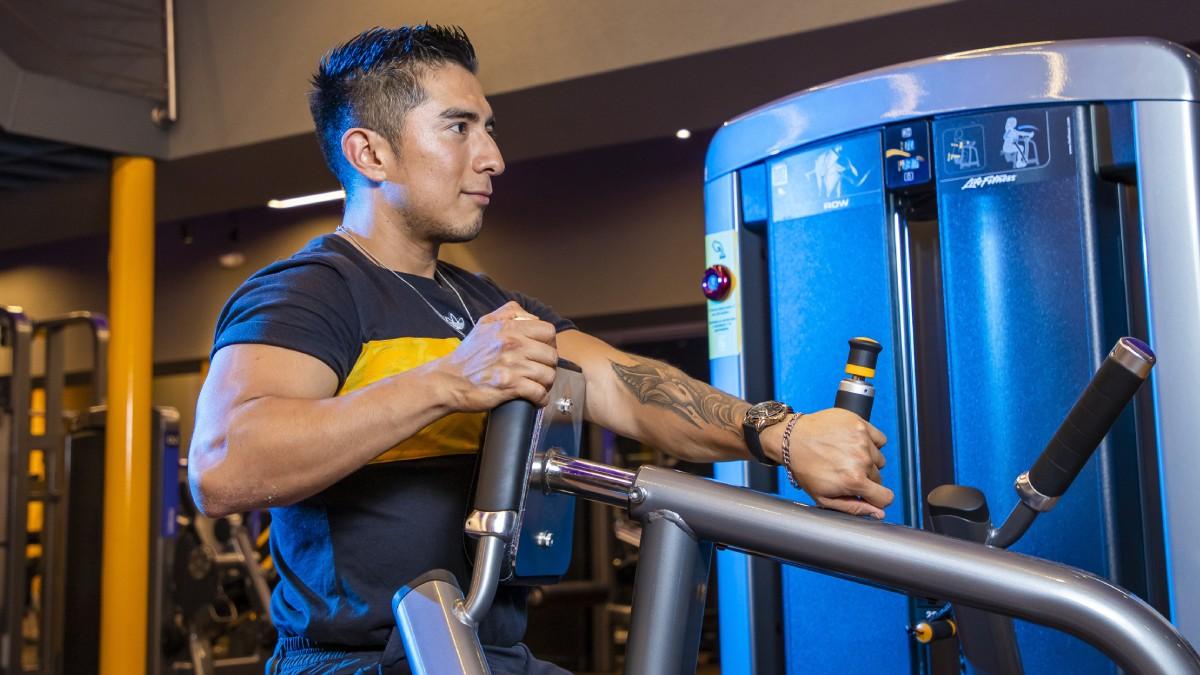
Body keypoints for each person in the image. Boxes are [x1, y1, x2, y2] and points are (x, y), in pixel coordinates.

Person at [188, 24, 891, 675]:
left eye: (487, 129)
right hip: (361, 660)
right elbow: (224, 466)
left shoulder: (486, 305)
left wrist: (780, 433)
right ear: (370, 152)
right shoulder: (310, 292)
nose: (491, 156)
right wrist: (446, 382)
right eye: (458, 128)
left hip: (486, 649)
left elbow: (627, 386)